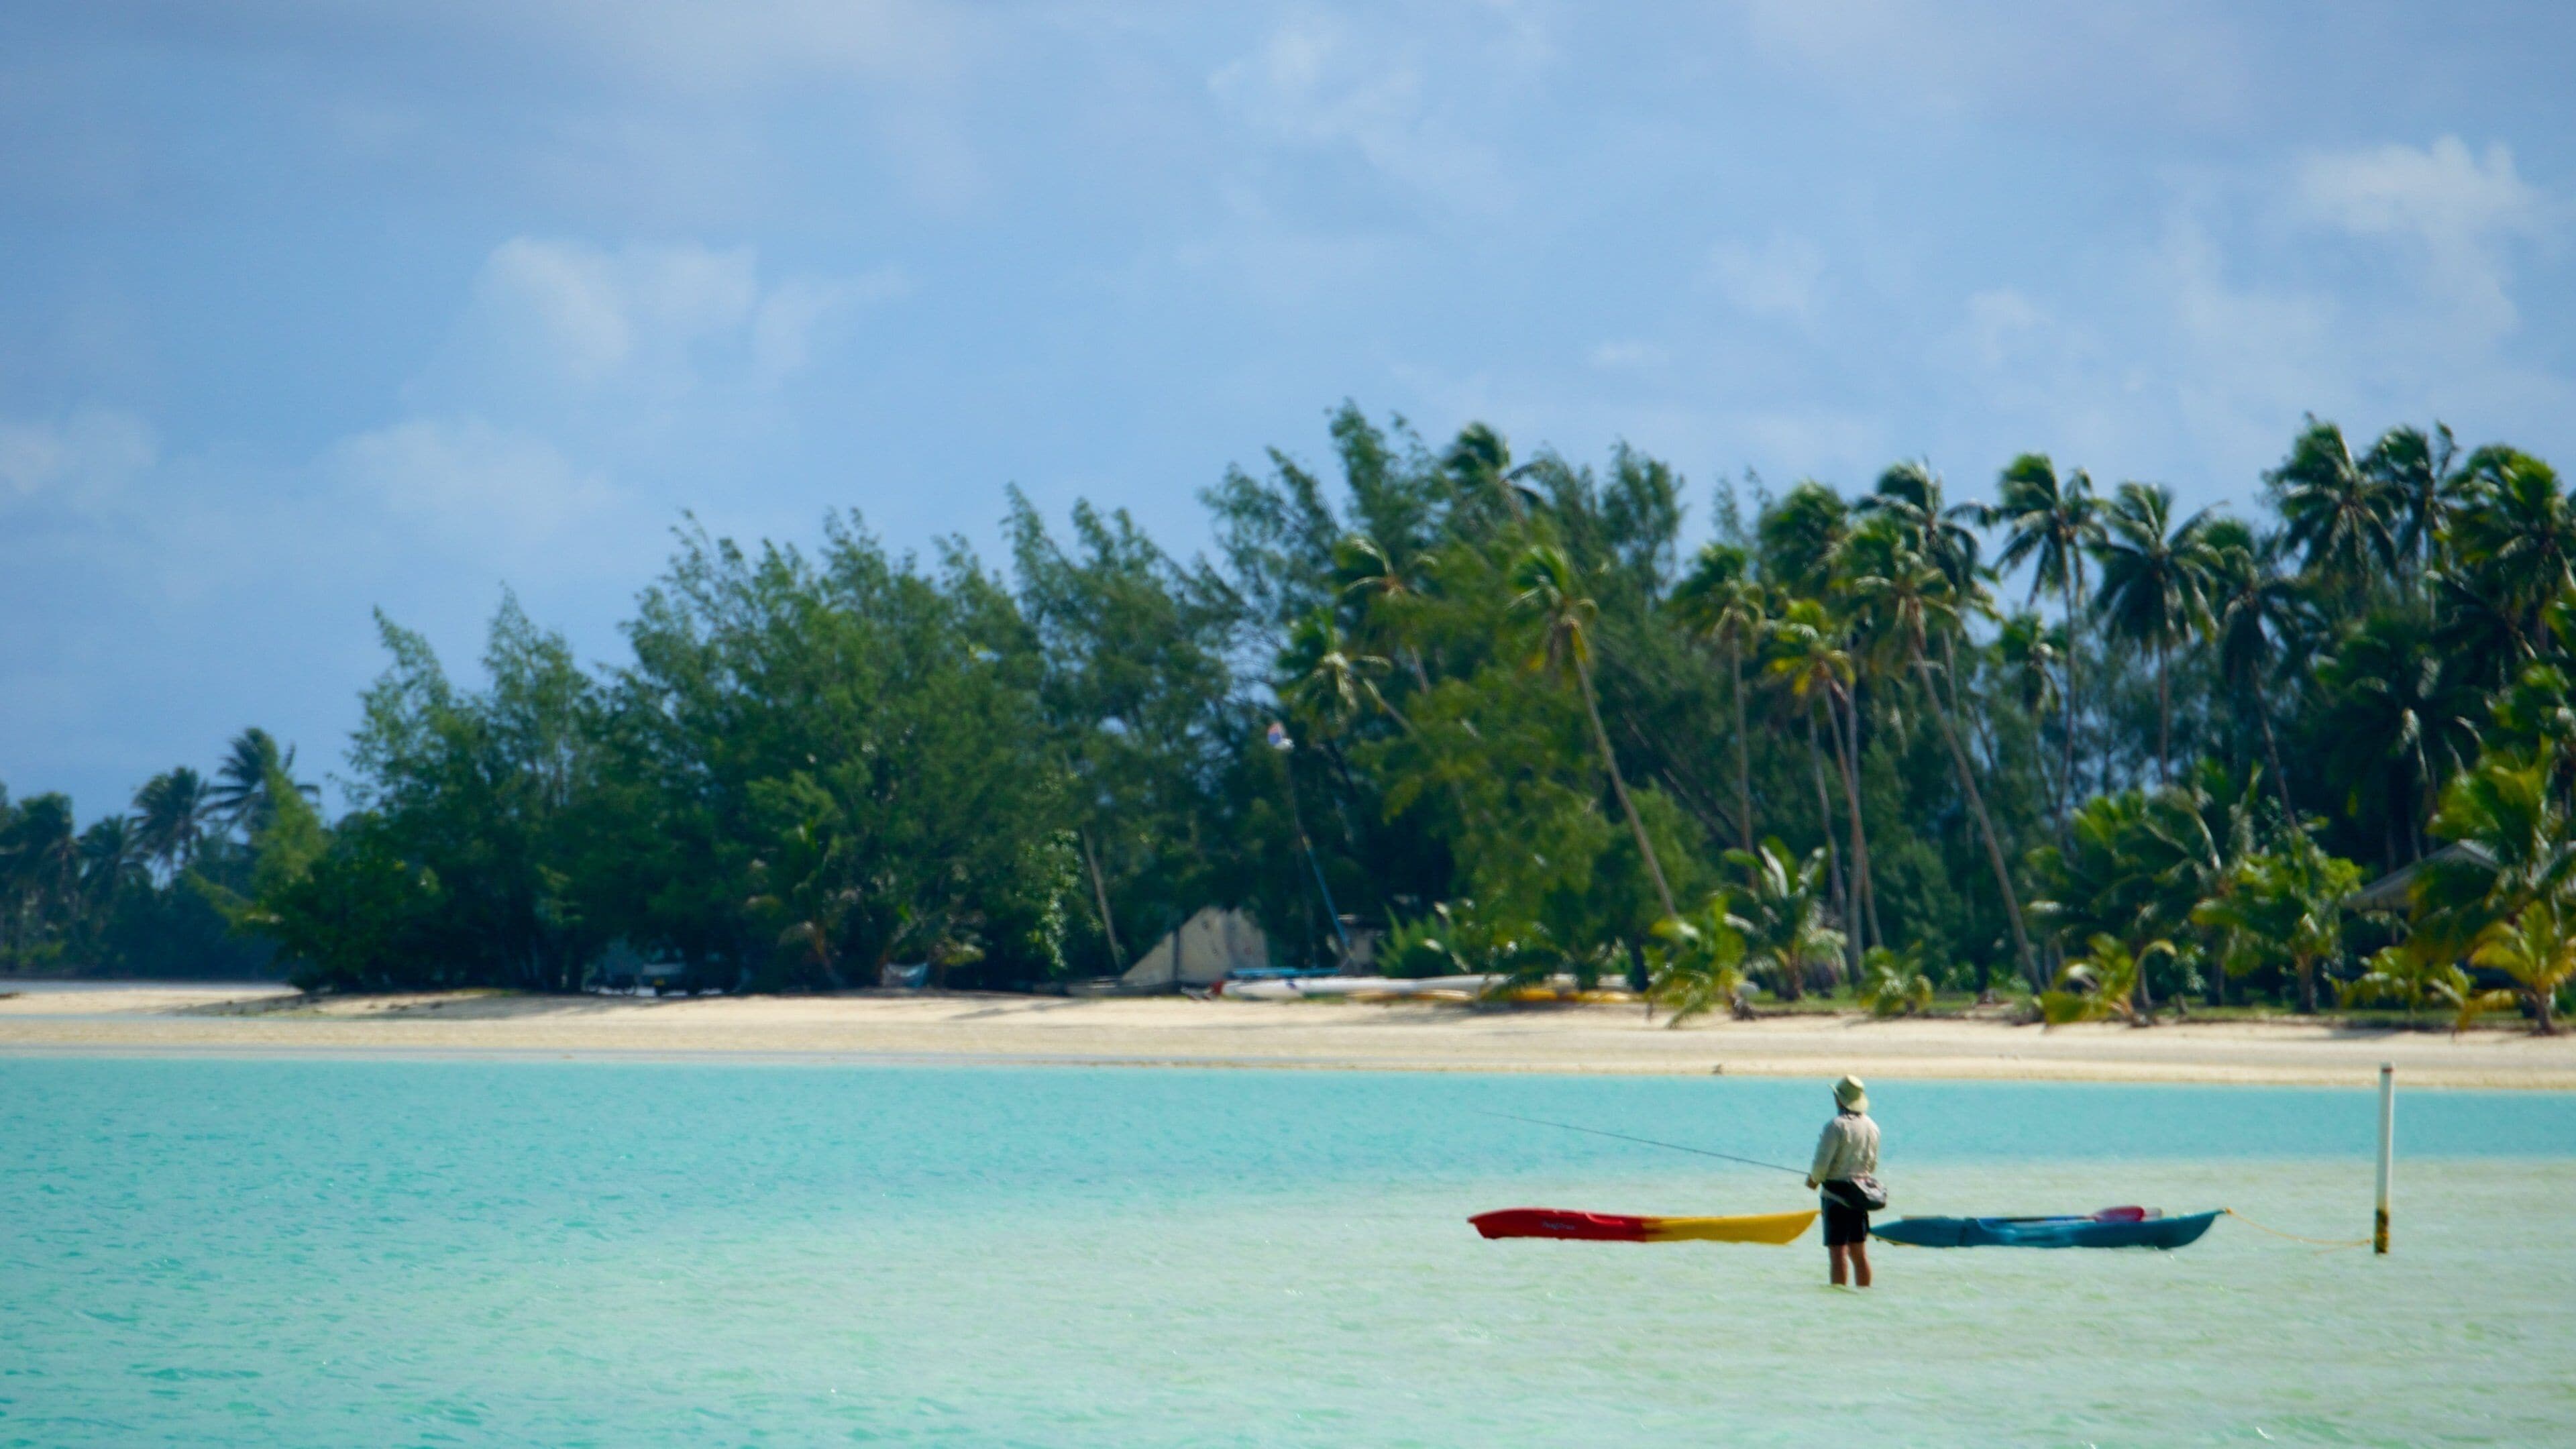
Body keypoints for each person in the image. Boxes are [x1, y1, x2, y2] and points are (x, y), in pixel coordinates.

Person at [1805, 1075, 1880, 1287]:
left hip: (1835, 1196)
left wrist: (1813, 1180)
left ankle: (1839, 1296)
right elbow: (1872, 1165)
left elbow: (1821, 1165)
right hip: (1861, 1194)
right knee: (1859, 1251)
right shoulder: (1872, 1127)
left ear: (1840, 1100)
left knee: (1838, 1252)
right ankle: (1864, 1294)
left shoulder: (1835, 1126)